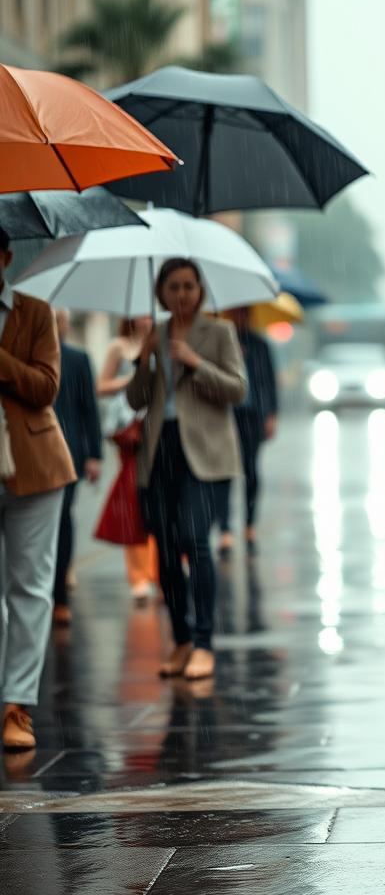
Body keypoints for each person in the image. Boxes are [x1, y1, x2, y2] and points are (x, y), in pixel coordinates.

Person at [127, 259, 247, 681]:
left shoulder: (219, 332)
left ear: (200, 290)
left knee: (196, 544)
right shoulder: (154, 334)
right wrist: (143, 360)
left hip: (207, 457)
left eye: (188, 286)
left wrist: (194, 361)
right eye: (173, 287)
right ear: (161, 293)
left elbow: (237, 388)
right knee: (164, 544)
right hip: (161, 453)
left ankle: (203, 643)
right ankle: (179, 639)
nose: (181, 294)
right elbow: (136, 400)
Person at [0, 229, 77, 752]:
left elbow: (45, 386)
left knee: (30, 588)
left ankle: (17, 707)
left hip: (36, 466)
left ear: (5, 258)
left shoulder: (35, 311)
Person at [95, 316, 158, 603]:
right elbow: (101, 385)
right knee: (133, 499)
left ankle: (159, 570)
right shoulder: (120, 347)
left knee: (161, 500)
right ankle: (139, 575)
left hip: (157, 429)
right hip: (129, 430)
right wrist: (132, 380)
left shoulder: (162, 341)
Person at [214, 307, 278, 559]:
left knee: (250, 471)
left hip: (252, 416)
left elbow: (269, 381)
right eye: (236, 314)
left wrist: (272, 414)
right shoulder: (219, 344)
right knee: (224, 473)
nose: (240, 319)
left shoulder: (260, 345)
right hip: (226, 416)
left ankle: (249, 526)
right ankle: (225, 529)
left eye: (244, 314)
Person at [52, 309, 103, 625]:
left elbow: (89, 409)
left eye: (62, 321)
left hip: (69, 454)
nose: (59, 326)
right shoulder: (26, 357)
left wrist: (94, 454)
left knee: (63, 520)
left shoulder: (77, 359)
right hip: (32, 454)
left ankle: (60, 597)